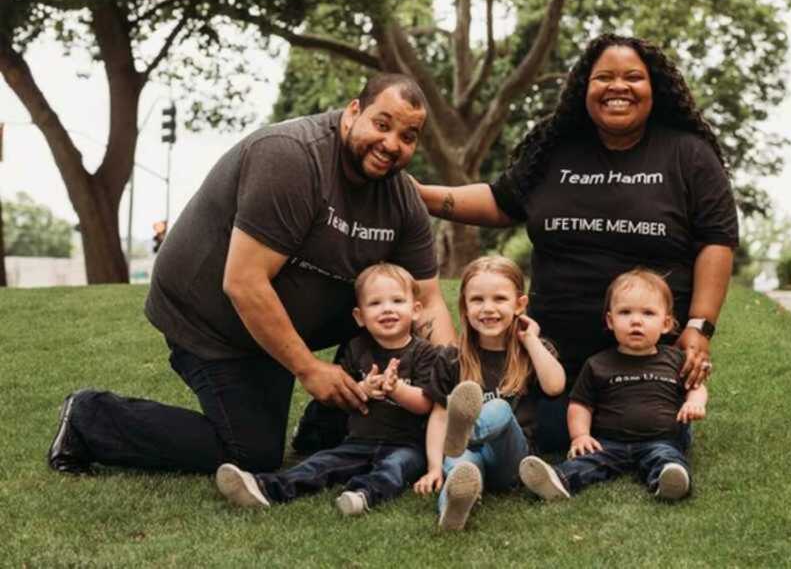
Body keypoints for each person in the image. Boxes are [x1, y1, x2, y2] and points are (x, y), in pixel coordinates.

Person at [47, 73, 455, 476]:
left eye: (408, 136)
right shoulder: (291, 157)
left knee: (386, 303)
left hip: (280, 321)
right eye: (382, 125)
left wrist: (448, 384)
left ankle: (324, 428)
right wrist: (310, 370)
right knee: (252, 452)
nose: (392, 144)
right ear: (353, 112)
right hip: (212, 321)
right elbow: (243, 283)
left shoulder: (402, 199)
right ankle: (89, 418)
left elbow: (429, 300)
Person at [413, 33, 737, 452]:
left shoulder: (688, 154)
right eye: (604, 77)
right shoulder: (555, 147)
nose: (618, 87)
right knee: (549, 433)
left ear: (654, 88)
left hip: (644, 357)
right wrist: (419, 195)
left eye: (633, 77)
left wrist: (699, 327)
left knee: (650, 429)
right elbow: (500, 201)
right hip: (553, 354)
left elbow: (717, 240)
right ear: (585, 88)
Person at [216, 263, 436, 515]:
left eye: (397, 300)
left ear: (416, 310)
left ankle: (361, 495)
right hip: (359, 441)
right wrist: (364, 387)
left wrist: (395, 388)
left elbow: (425, 404)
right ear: (359, 317)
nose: (387, 309)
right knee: (321, 463)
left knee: (395, 469)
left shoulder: (424, 353)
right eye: (375, 303)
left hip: (406, 445)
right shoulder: (356, 349)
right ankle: (266, 487)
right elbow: (345, 394)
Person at [519, 268, 708, 502]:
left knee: (667, 458)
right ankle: (557, 480)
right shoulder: (598, 364)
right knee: (588, 460)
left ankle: (669, 481)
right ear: (611, 320)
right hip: (609, 442)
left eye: (648, 313)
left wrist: (694, 403)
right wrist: (580, 436)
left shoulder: (674, 359)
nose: (636, 321)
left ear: (666, 323)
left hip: (661, 439)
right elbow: (580, 405)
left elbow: (696, 385)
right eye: (625, 312)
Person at [413, 256, 565, 530]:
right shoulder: (451, 358)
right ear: (465, 306)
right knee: (461, 470)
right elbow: (438, 416)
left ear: (519, 304)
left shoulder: (533, 350)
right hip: (465, 455)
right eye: (477, 300)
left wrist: (530, 340)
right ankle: (452, 510)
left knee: (498, 409)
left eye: (499, 299)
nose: (488, 309)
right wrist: (435, 467)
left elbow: (555, 385)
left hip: (511, 460)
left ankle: (467, 431)